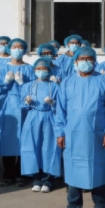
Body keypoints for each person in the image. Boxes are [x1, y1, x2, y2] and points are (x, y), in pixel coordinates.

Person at [54, 47, 105, 208]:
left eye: (89, 58)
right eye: (81, 58)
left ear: (94, 61)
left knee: (97, 171)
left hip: (97, 134)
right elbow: (60, 110)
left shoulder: (104, 81)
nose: (85, 61)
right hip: (73, 134)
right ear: (75, 61)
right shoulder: (67, 82)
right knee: (73, 171)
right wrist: (60, 133)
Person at [0, 38, 36, 187]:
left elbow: (33, 90)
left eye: (20, 47)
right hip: (7, 106)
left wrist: (22, 84)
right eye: (14, 47)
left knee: (24, 140)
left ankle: (20, 173)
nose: (17, 50)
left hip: (24, 107)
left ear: (24, 50)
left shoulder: (29, 69)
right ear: (10, 49)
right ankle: (8, 173)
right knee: (8, 139)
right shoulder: (2, 68)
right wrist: (6, 82)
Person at [20, 57, 62, 193]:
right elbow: (22, 104)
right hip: (32, 118)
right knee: (33, 148)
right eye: (38, 69)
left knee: (49, 148)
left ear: (49, 70)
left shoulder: (55, 86)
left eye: (44, 69)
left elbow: (61, 105)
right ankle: (36, 179)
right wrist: (26, 102)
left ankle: (48, 180)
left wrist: (53, 103)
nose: (41, 71)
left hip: (50, 117)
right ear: (34, 70)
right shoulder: (28, 86)